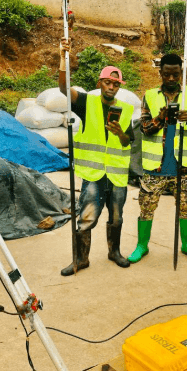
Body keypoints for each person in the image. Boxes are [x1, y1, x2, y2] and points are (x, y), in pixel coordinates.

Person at [58, 38, 134, 276]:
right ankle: (81, 259)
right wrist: (63, 58)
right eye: (108, 82)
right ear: (100, 83)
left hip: (117, 174)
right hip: (93, 174)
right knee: (87, 216)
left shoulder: (126, 109)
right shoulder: (85, 102)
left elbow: (127, 141)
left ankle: (114, 252)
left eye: (115, 84)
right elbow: (63, 88)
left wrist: (120, 132)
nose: (111, 87)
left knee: (117, 217)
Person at [128, 53, 187, 264]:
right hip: (156, 167)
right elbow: (144, 128)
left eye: (176, 74)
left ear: (181, 73)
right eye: (167, 74)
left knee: (186, 207)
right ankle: (141, 245)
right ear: (160, 73)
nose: (171, 79)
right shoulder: (150, 96)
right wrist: (160, 118)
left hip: (183, 165)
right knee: (147, 207)